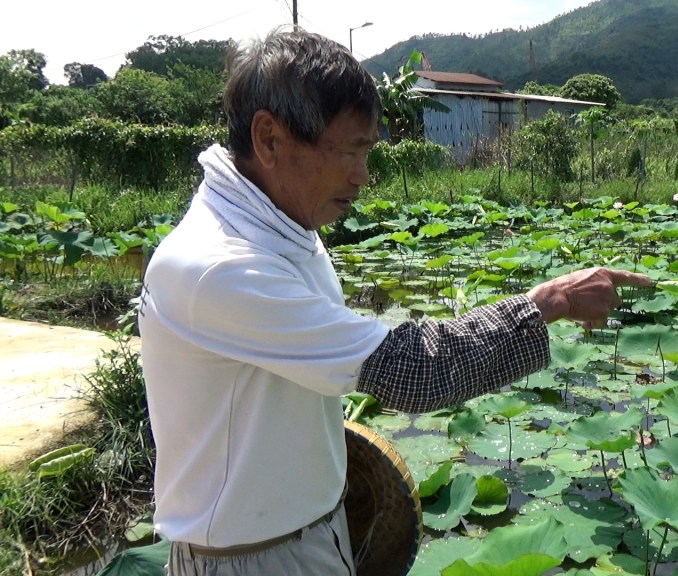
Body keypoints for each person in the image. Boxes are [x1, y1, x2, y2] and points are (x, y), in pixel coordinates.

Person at [138, 26, 651, 576]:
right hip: (251, 561)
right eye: (351, 152)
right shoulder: (218, 266)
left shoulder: (280, 224)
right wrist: (550, 300)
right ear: (270, 139)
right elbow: (414, 369)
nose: (363, 177)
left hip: (310, 532)